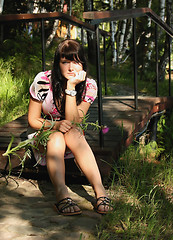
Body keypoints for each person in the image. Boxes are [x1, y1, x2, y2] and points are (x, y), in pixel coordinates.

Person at [27, 39, 112, 216]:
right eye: (65, 62)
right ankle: (61, 194)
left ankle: (100, 191)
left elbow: (74, 121)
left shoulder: (89, 86)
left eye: (76, 61)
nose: (71, 68)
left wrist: (71, 88)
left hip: (71, 137)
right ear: (58, 63)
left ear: (83, 63)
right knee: (57, 137)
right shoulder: (43, 80)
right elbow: (33, 120)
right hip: (45, 135)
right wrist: (55, 125)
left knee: (74, 132)